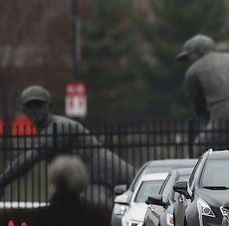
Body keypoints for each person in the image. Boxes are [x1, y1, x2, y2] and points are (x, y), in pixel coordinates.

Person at [0, 86, 134, 211]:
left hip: (107, 171)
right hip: (91, 177)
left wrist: (3, 180)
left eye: (39, 105)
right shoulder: (47, 129)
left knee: (124, 201)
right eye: (30, 106)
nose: (35, 109)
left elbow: (31, 158)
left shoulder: (58, 127)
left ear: (50, 106)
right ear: (24, 111)